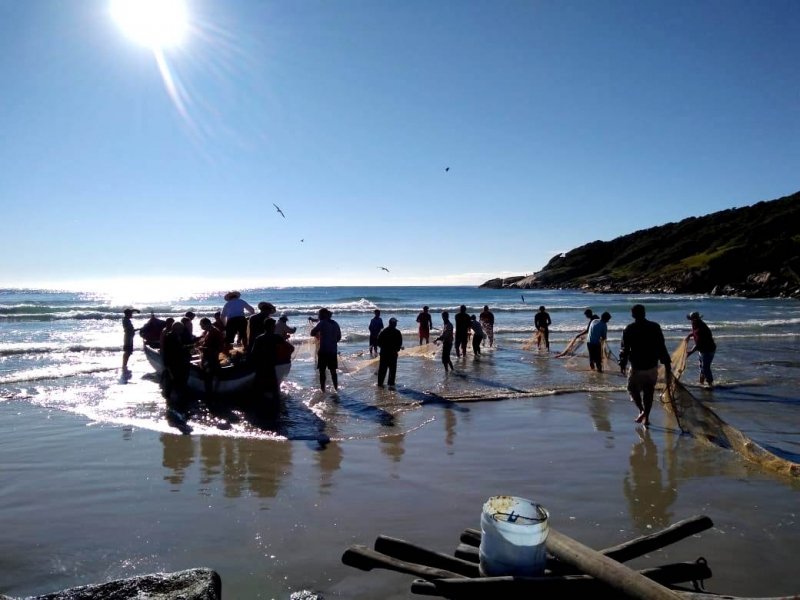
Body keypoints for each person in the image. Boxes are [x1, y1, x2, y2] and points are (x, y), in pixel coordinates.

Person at [619, 304, 672, 428]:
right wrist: (667, 364)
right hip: (652, 366)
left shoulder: (629, 328)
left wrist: (622, 363)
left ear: (632, 315)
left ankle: (641, 411)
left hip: (637, 367)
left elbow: (625, 349)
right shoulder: (655, 327)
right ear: (644, 313)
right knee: (649, 392)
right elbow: (661, 346)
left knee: (632, 390)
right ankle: (646, 417)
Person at [249, 319, 295, 400]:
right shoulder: (276, 337)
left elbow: (253, 354)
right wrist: (286, 356)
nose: (274, 327)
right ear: (271, 327)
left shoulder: (259, 338)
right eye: (274, 326)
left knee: (262, 388)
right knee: (274, 388)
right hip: (273, 364)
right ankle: (275, 402)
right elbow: (291, 348)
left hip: (262, 365)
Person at [310, 308, 342, 392]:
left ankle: (323, 390)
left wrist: (319, 335)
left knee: (322, 371)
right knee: (333, 371)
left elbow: (312, 333)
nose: (318, 316)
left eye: (319, 314)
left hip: (323, 351)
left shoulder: (322, 323)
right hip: (333, 351)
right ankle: (336, 388)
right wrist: (332, 341)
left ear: (323, 315)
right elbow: (339, 337)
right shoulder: (335, 323)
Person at [160, 321, 191, 402]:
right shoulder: (169, 337)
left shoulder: (178, 335)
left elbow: (182, 347)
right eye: (180, 329)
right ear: (175, 329)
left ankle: (178, 397)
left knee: (179, 381)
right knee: (175, 381)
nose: (182, 330)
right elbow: (173, 351)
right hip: (174, 363)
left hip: (180, 362)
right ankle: (174, 399)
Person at [686, 311, 717, 388]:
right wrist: (689, 335)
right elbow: (694, 333)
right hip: (702, 350)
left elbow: (698, 343)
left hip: (708, 350)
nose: (691, 321)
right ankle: (701, 384)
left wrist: (690, 352)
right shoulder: (695, 324)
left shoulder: (701, 328)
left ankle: (710, 385)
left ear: (696, 319)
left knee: (705, 368)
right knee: (702, 368)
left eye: (692, 319)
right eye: (691, 319)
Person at [197, 317, 225, 397]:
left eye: (202, 325)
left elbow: (219, 347)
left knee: (209, 378)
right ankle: (210, 394)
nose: (201, 327)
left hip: (211, 360)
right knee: (208, 378)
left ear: (207, 324)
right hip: (208, 359)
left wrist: (203, 348)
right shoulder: (208, 332)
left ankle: (210, 395)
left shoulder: (215, 332)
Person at [377, 317, 403, 387]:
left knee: (382, 370)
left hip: (384, 353)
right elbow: (399, 344)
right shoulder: (397, 332)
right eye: (395, 323)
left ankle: (380, 384)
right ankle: (391, 385)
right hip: (393, 354)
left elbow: (378, 342)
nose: (396, 324)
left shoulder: (383, 331)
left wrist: (383, 348)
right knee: (392, 371)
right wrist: (396, 349)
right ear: (394, 324)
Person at [121, 308, 140, 373]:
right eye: (131, 314)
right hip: (128, 338)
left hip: (130, 337)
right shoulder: (126, 320)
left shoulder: (126, 319)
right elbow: (129, 330)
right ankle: (124, 365)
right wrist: (136, 329)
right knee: (127, 351)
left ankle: (125, 365)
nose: (132, 315)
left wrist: (136, 310)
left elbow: (130, 311)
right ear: (128, 314)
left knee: (128, 351)